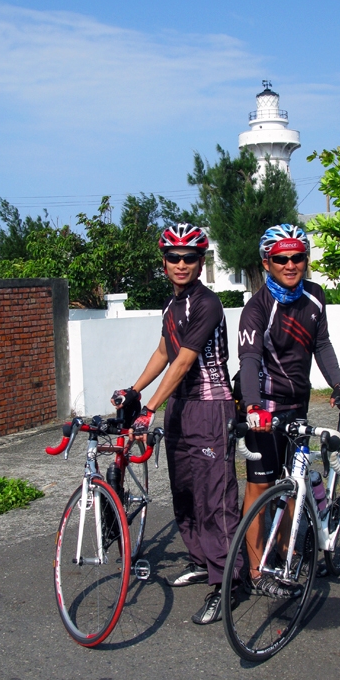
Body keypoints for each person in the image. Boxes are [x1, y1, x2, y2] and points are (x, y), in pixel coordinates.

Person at [112, 223, 241, 625]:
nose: (181, 264)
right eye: (174, 257)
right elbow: (164, 350)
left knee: (215, 496)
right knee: (185, 490)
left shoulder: (207, 303)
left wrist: (149, 407)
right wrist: (134, 390)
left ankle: (228, 582)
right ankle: (202, 561)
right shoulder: (172, 306)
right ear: (164, 263)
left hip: (211, 407)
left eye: (189, 258)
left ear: (201, 262)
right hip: (181, 409)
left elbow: (185, 359)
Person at [237, 223, 340, 595]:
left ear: (306, 259)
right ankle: (257, 572)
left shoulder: (315, 297)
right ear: (267, 263)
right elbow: (250, 359)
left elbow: (322, 346)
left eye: (298, 257)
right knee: (259, 487)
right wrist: (253, 406)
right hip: (264, 408)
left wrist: (339, 385)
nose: (291, 265)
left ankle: (286, 558)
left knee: (294, 484)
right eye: (281, 259)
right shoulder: (257, 309)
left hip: (297, 405)